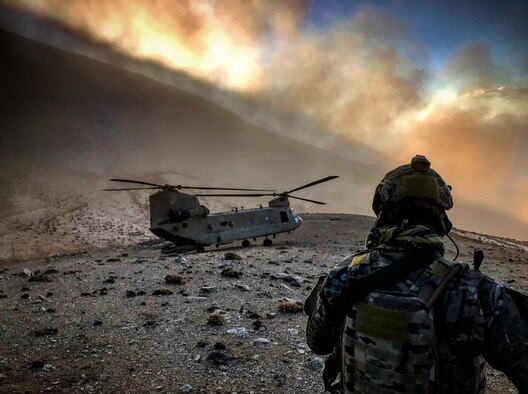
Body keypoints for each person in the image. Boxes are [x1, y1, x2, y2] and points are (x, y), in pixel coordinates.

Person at [304, 155, 528, 393]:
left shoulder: (345, 273)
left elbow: (317, 342)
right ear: (442, 221)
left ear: (383, 213)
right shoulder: (474, 291)